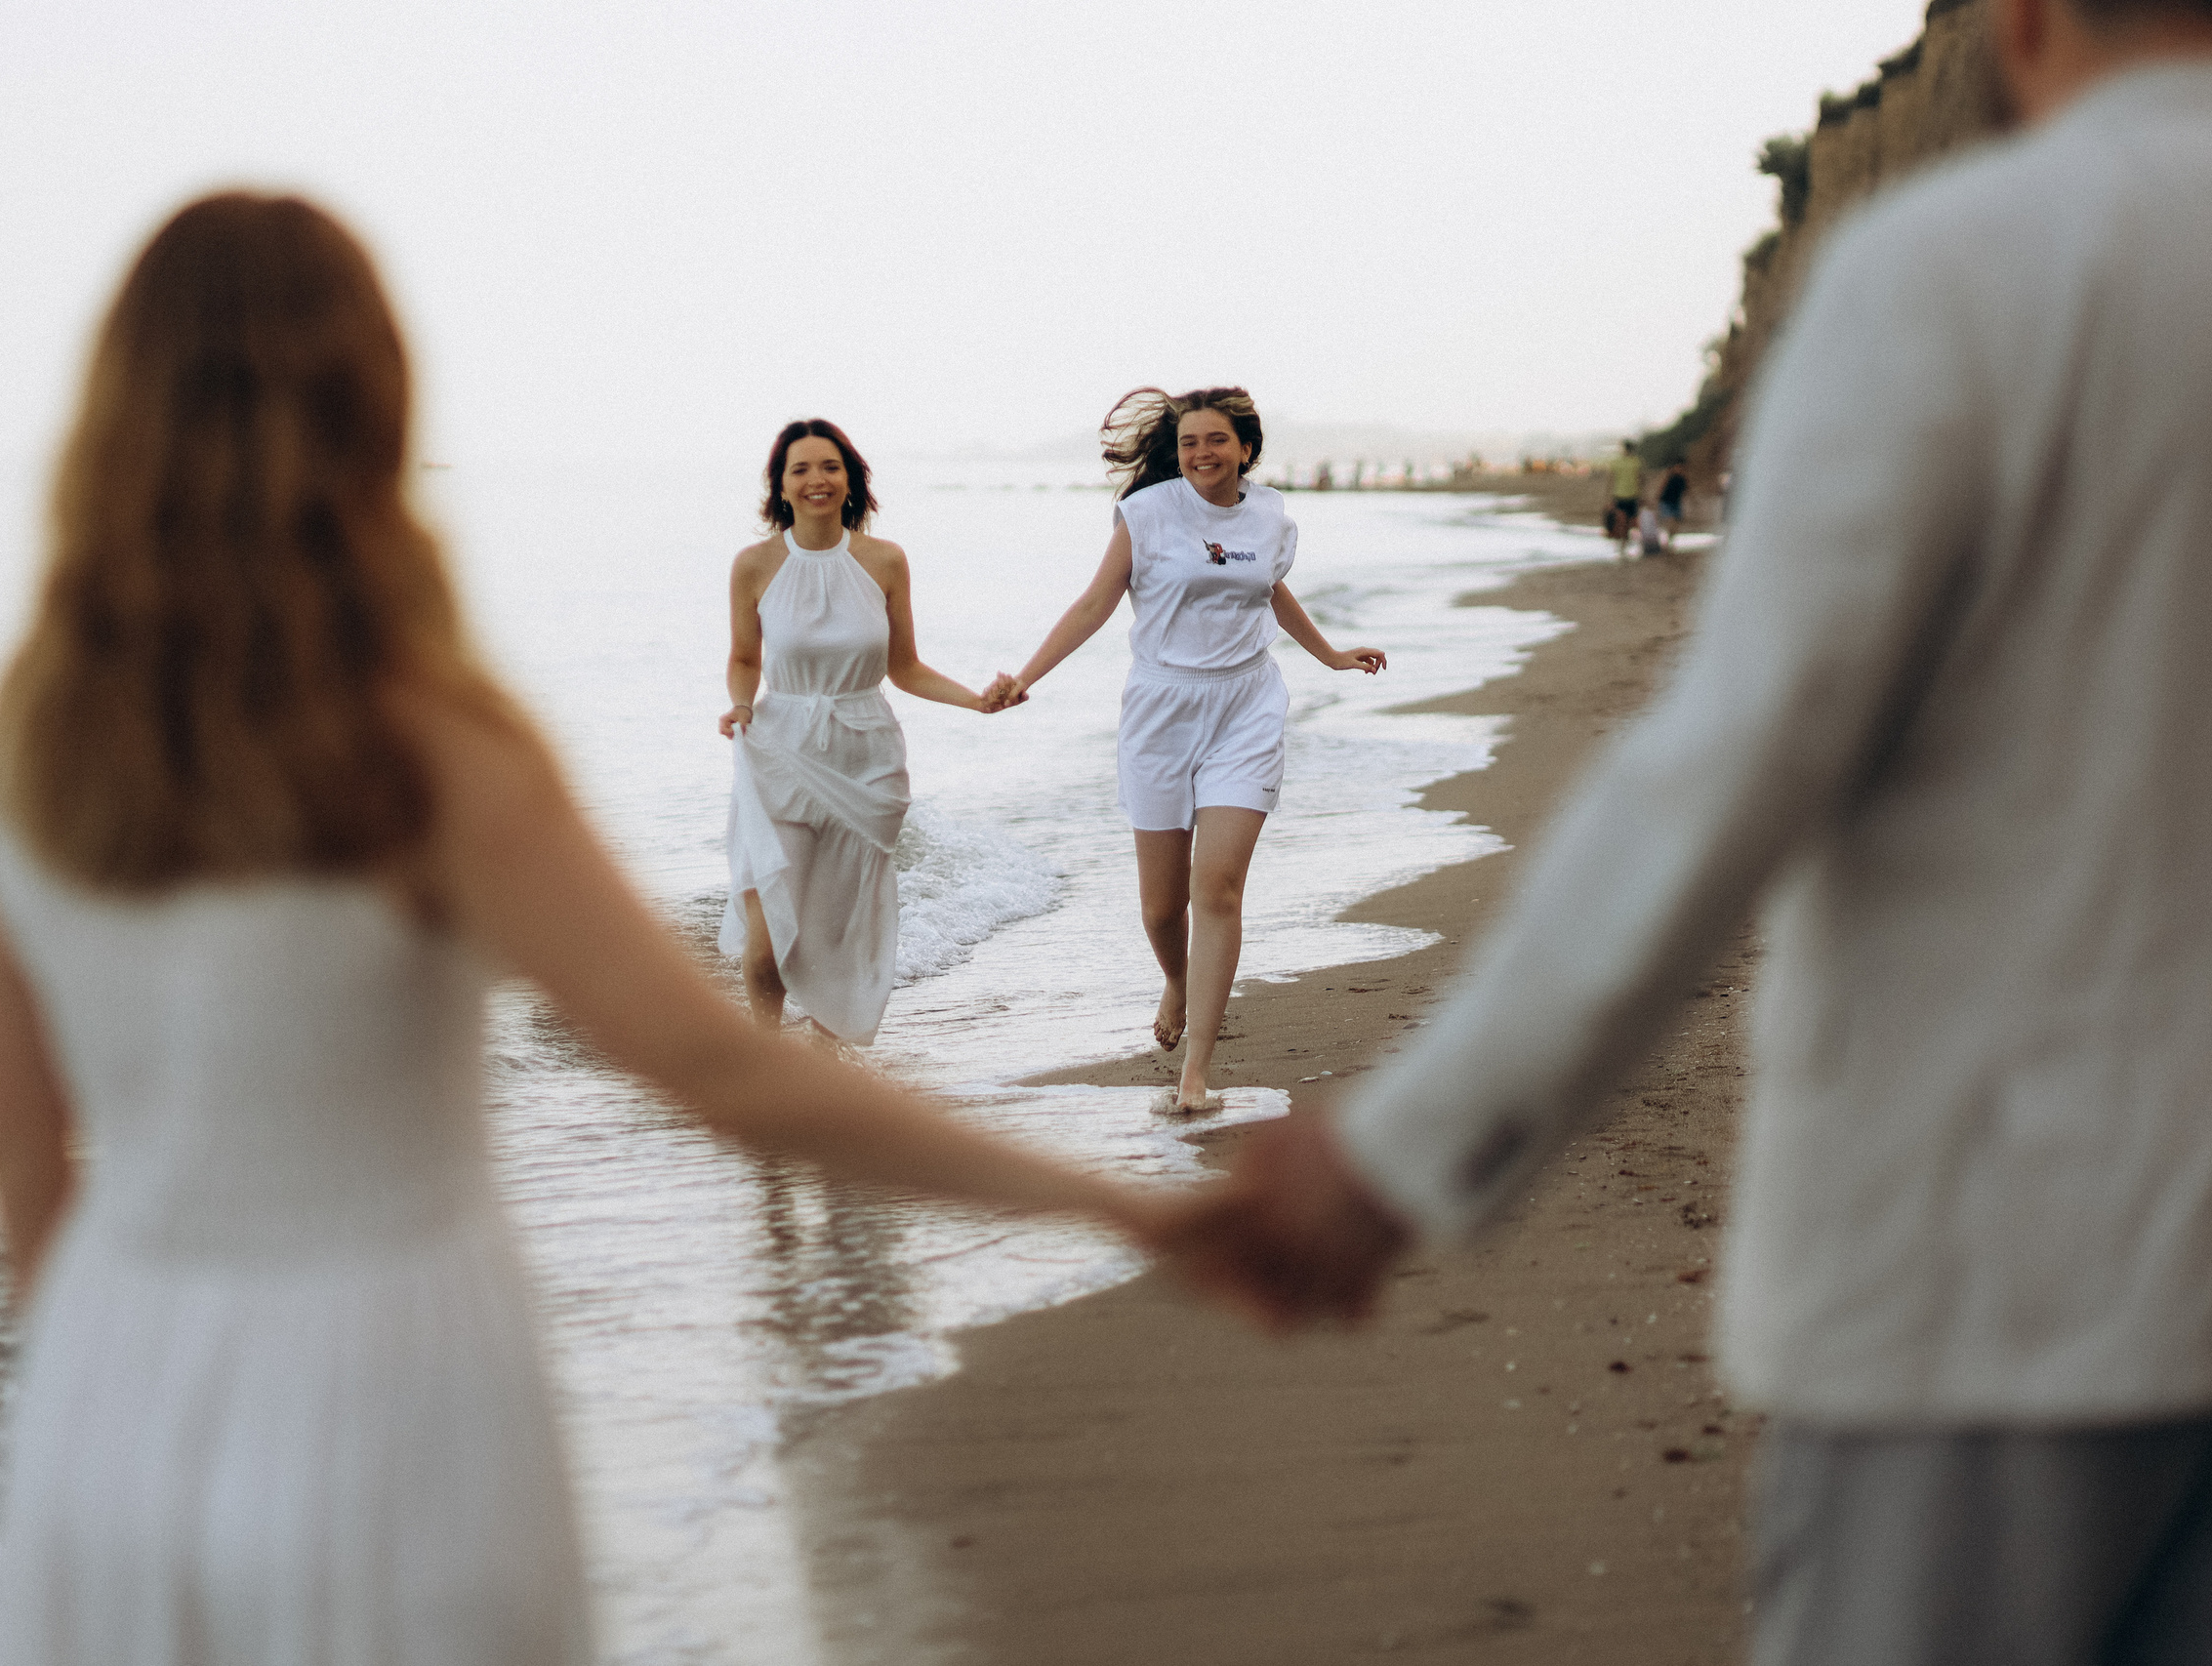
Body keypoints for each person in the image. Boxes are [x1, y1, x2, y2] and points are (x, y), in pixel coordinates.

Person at [0, 193, 1272, 1666]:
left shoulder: (33, 744)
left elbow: (19, 1152)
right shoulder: (429, 740)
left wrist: (97, 1382)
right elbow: (727, 1071)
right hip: (391, 1386)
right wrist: (1131, 1204)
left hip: (105, 1385)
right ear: (374, 404)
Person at [1232, 1, 2212, 1659]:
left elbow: (1740, 758)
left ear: (2022, 20)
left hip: (1988, 1279)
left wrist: (1410, 1143)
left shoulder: (1959, 265)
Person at [993, 386, 1386, 1115]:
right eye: (1189, 443)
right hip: (1161, 709)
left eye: (1216, 440)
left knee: (1219, 889)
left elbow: (1271, 591)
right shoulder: (1147, 514)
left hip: (1246, 706)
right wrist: (1025, 677)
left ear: (1245, 447)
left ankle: (1197, 1069)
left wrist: (1329, 654)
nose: (1202, 454)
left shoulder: (1269, 515)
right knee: (1159, 906)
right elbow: (1092, 604)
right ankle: (1176, 976)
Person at [719, 419, 1003, 1046]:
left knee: (836, 936)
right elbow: (745, 659)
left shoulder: (884, 560)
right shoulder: (754, 565)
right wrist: (740, 705)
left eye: (830, 467)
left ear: (850, 480)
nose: (817, 479)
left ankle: (827, 1067)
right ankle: (761, 1062)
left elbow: (904, 668)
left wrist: (975, 701)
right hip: (780, 751)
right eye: (801, 469)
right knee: (769, 944)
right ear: (781, 486)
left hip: (866, 754)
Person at [1606, 437, 1643, 549]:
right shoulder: (1636, 461)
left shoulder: (1618, 462)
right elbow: (1641, 480)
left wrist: (1607, 498)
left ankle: (1623, 542)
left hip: (1624, 495)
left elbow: (1610, 481)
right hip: (1628, 495)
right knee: (1626, 521)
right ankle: (1624, 542)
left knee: (1625, 522)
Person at [1657, 460, 1691, 549]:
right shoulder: (1670, 477)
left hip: (1676, 503)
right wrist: (1657, 499)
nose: (1679, 469)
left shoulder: (1683, 479)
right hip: (1666, 502)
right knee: (1670, 522)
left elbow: (1687, 491)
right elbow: (1662, 488)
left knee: (1676, 523)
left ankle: (1670, 541)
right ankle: (1668, 542)